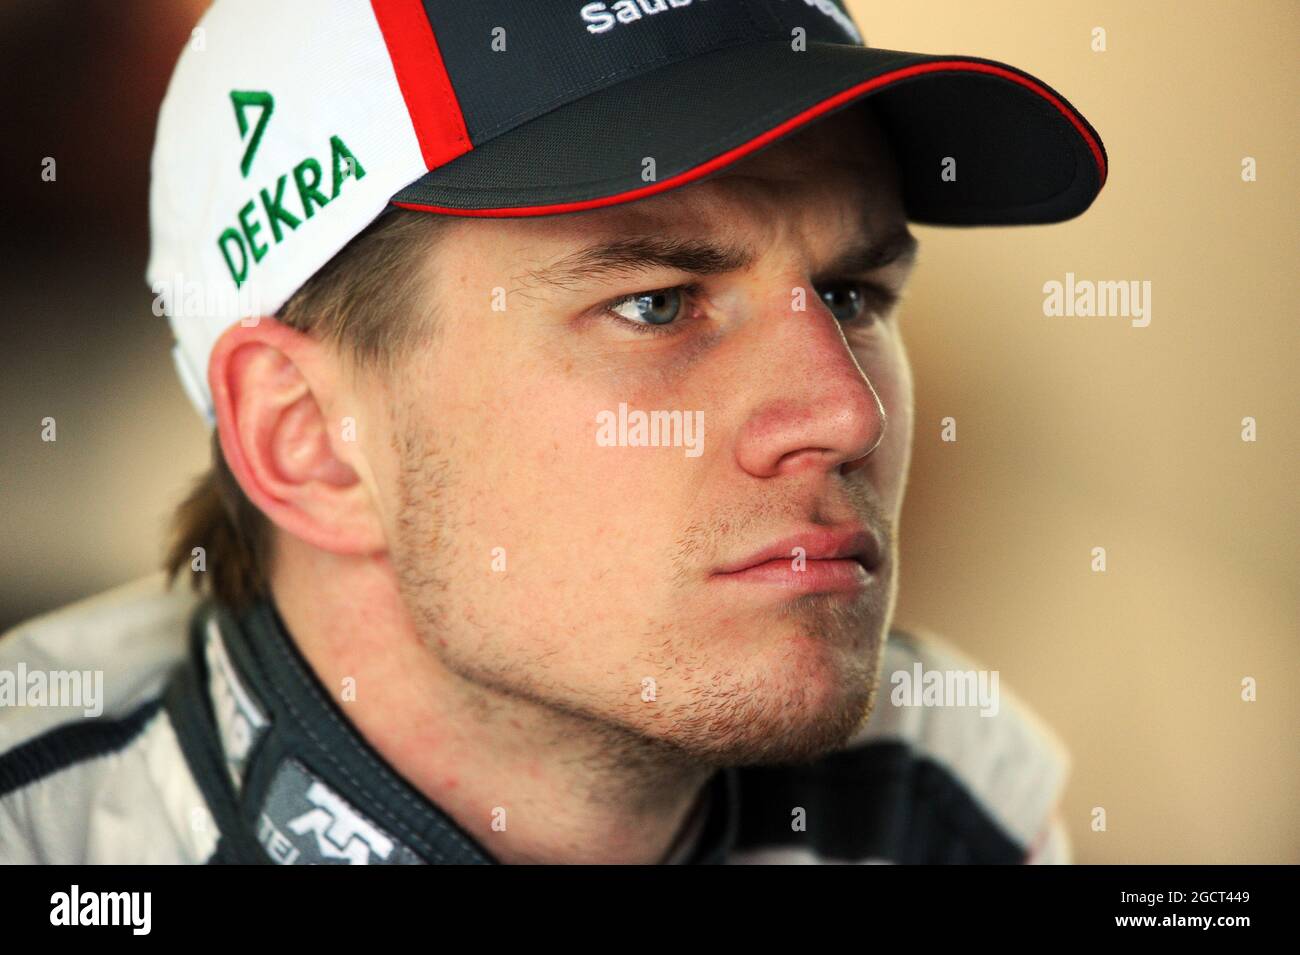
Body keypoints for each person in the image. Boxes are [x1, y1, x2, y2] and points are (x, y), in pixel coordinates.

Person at [0, 0, 1104, 864]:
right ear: (308, 438)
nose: (843, 411)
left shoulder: (946, 798)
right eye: (657, 304)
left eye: (854, 292)